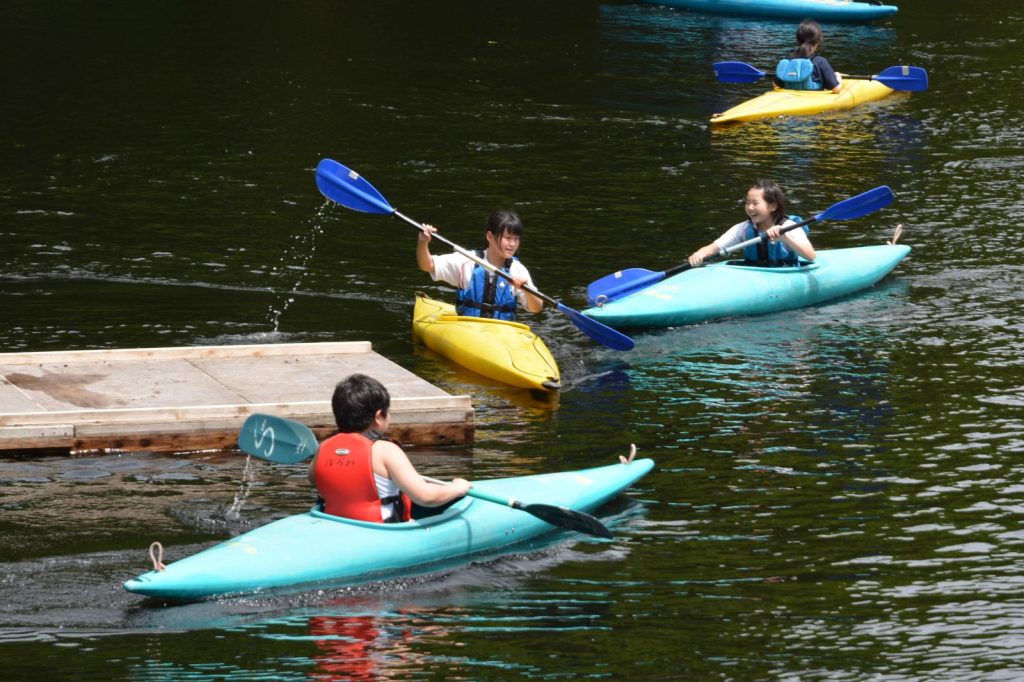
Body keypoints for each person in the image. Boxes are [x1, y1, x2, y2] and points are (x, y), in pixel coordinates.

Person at [308, 373, 471, 523]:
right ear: (379, 416)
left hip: (336, 525)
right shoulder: (385, 450)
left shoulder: (324, 448)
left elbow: (314, 479)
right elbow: (426, 497)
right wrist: (457, 488)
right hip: (381, 531)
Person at [416, 209, 543, 321]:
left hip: (503, 333)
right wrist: (423, 242)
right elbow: (427, 265)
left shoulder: (518, 270)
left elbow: (536, 308)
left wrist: (526, 289)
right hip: (469, 329)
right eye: (508, 238)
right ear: (490, 236)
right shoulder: (467, 261)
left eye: (516, 239)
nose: (512, 244)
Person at [688, 180, 815, 268]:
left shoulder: (789, 227)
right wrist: (699, 254)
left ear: (772, 206)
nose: (750, 207)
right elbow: (712, 248)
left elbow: (810, 256)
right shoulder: (742, 229)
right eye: (747, 203)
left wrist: (784, 238)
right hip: (754, 273)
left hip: (786, 272)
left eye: (755, 203)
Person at [773, 19, 842, 94]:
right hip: (813, 101)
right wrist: (838, 78)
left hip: (791, 100)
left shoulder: (787, 61)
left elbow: (775, 84)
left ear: (798, 40)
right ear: (818, 40)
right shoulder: (820, 62)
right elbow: (836, 89)